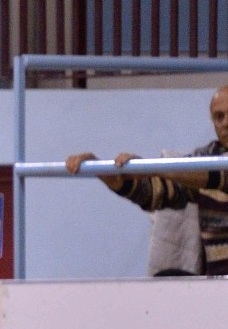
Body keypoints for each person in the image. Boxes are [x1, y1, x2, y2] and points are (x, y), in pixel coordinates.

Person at [65, 85, 228, 276]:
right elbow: (154, 192)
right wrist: (100, 169)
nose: (225, 123)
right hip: (215, 284)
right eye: (219, 117)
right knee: (165, 279)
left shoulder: (203, 165)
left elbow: (218, 177)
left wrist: (152, 168)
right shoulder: (206, 155)